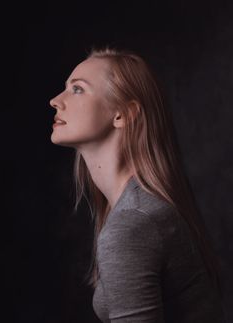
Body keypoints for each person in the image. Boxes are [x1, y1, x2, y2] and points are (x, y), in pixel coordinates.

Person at [49, 46, 225, 322]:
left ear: (122, 114)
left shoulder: (132, 225)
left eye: (78, 89)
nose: (55, 101)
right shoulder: (137, 210)